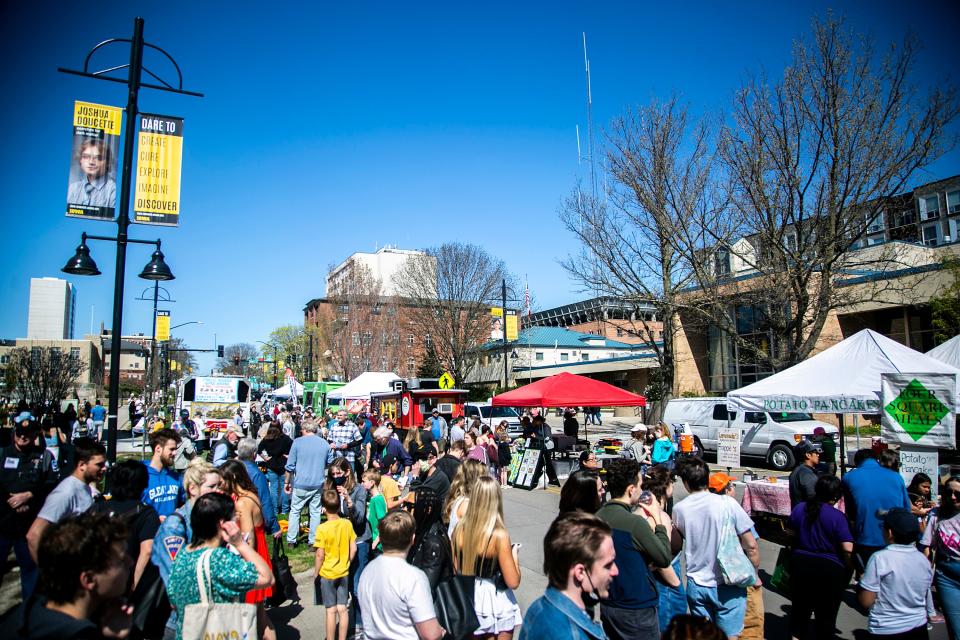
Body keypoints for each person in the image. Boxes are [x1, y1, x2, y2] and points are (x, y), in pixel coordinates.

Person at [5, 512, 131, 640]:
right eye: (122, 560)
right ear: (89, 580)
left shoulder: (21, 616)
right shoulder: (78, 635)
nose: (130, 562)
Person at [166, 492, 274, 640]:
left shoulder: (181, 557)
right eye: (234, 516)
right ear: (223, 524)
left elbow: (173, 603)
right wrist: (240, 544)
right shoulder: (220, 560)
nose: (237, 519)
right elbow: (267, 578)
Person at [673, 457, 759, 639]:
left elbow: (678, 542)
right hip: (728, 583)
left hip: (697, 584)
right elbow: (751, 545)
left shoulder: (680, 509)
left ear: (686, 483)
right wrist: (754, 573)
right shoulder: (727, 503)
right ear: (706, 477)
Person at [594, 458, 673, 639]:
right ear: (631, 489)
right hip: (637, 607)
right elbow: (663, 557)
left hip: (609, 602)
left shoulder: (597, 518)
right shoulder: (634, 523)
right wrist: (658, 520)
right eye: (640, 484)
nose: (642, 488)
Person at [518, 511, 615, 640]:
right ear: (580, 573)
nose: (615, 571)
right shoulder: (570, 635)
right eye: (608, 565)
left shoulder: (538, 608)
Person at [451, 475, 522, 638]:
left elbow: (455, 569)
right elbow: (513, 581)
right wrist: (514, 555)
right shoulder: (498, 535)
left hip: (468, 597)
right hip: (495, 598)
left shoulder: (459, 530)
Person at [358, 509, 445, 640]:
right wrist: (441, 631)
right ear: (413, 539)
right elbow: (430, 634)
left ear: (381, 537)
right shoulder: (414, 577)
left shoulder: (367, 571)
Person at [787, 474, 853, 639]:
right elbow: (847, 548)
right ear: (836, 496)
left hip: (800, 565)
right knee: (826, 618)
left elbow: (789, 533)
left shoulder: (800, 508)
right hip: (829, 570)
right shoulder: (838, 517)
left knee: (800, 614)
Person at [0, 417, 57, 599]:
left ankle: (27, 618)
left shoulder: (44, 456)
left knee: (31, 573)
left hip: (30, 525)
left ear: (35, 436)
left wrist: (30, 496)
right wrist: (11, 501)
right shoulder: (2, 453)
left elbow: (51, 485)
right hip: (3, 522)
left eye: (27, 434)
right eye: (19, 433)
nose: (22, 437)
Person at [26, 438, 106, 562]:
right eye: (99, 465)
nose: (104, 468)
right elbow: (33, 535)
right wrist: (49, 574)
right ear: (81, 465)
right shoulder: (66, 492)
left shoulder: (84, 487)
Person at [859, 508, 934, 639]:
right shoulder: (923, 559)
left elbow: (866, 601)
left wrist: (862, 583)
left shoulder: (880, 558)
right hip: (918, 626)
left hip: (886, 628)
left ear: (889, 532)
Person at [842, 448, 912, 573]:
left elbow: (850, 510)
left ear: (857, 463)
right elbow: (906, 509)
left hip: (866, 538)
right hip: (895, 537)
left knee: (868, 579)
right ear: (877, 460)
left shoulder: (849, 477)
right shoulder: (896, 476)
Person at [151, 458, 221, 584]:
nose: (219, 491)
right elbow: (173, 576)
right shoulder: (175, 525)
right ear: (193, 489)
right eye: (211, 486)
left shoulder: (213, 518)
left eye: (219, 486)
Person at [219, 459, 274, 610]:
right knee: (260, 615)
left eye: (223, 479)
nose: (221, 483)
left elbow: (249, 539)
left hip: (252, 557)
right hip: (260, 553)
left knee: (252, 614)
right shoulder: (251, 494)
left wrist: (245, 568)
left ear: (233, 478)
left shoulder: (242, 503)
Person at [98, 459, 161, 591]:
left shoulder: (99, 507)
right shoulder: (146, 513)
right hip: (125, 579)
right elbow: (147, 551)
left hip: (99, 578)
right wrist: (136, 587)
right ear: (143, 483)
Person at [642, 465, 687, 631]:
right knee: (669, 630)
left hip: (657, 582)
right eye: (672, 482)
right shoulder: (660, 517)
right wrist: (676, 585)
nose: (674, 486)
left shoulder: (645, 511)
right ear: (666, 486)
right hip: (665, 584)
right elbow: (661, 557)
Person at [315, 489, 357, 640]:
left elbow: (320, 554)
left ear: (323, 508)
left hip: (328, 573)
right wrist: (347, 562)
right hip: (343, 572)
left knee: (331, 610)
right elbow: (354, 547)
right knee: (343, 609)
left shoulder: (322, 528)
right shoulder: (347, 524)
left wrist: (316, 572)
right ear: (339, 506)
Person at [921, 475, 960, 638]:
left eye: (958, 493)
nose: (952, 497)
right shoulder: (937, 514)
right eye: (949, 492)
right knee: (956, 630)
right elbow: (927, 545)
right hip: (947, 576)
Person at [285, 419, 333, 548]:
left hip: (301, 482)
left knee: (295, 510)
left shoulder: (297, 442)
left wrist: (286, 482)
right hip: (317, 482)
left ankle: (292, 539)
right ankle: (313, 541)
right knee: (315, 512)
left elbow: (290, 466)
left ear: (304, 429)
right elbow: (330, 462)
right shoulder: (324, 444)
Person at [407, 486, 453, 590]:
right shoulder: (419, 533)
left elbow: (426, 589)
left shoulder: (433, 543)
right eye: (405, 505)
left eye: (411, 506)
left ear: (428, 509)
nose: (405, 510)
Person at [236, 438, 280, 537]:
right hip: (252, 519)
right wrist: (274, 526)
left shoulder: (232, 469)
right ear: (254, 454)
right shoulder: (256, 474)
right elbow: (264, 500)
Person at [67, 137, 116, 209]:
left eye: (98, 158)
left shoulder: (114, 189)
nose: (91, 162)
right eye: (86, 157)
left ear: (108, 162)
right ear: (80, 160)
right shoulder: (73, 188)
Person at [444, 458, 488, 537]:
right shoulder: (466, 505)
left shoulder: (463, 500)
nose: (487, 481)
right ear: (475, 479)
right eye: (484, 478)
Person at [257, 424, 293, 516]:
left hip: (271, 464)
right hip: (284, 464)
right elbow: (293, 447)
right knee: (285, 486)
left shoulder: (267, 439)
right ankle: (285, 509)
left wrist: (265, 457)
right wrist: (288, 455)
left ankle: (275, 509)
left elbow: (259, 449)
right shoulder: (285, 438)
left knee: (273, 487)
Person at [362, 468, 388, 553]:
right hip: (372, 538)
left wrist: (376, 541)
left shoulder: (378, 500)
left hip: (378, 544)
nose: (362, 484)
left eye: (364, 481)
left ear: (372, 483)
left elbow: (384, 522)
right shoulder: (372, 498)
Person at [788, 440, 821, 508]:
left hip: (797, 512)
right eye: (816, 452)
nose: (818, 455)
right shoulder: (807, 474)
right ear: (808, 455)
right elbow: (813, 497)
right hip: (807, 514)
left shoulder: (796, 471)